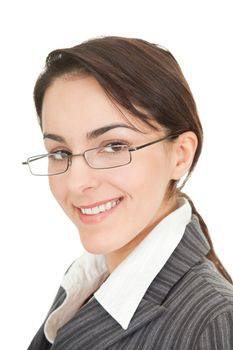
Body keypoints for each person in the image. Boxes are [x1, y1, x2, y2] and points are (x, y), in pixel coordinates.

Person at [24, 36, 233, 349]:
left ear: (180, 155)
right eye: (60, 152)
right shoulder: (85, 279)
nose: (77, 182)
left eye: (114, 146)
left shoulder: (210, 323)